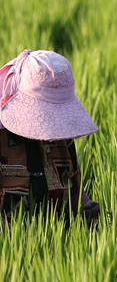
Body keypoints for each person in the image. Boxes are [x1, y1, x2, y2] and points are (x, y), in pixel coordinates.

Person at [0, 50, 100, 221]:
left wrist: (85, 206)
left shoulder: (61, 136)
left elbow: (74, 186)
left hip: (61, 240)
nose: (51, 120)